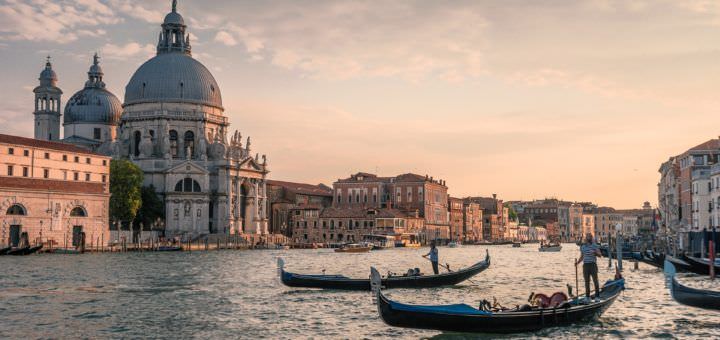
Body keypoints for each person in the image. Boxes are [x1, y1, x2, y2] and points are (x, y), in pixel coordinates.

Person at [576, 233, 602, 299]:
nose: (588, 238)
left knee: (595, 281)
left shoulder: (594, 245)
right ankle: (587, 296)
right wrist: (577, 263)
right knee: (586, 281)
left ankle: (597, 296)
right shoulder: (583, 247)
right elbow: (582, 256)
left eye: (589, 237)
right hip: (586, 265)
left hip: (593, 265)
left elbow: (600, 255)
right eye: (587, 237)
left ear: (591, 238)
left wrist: (595, 253)